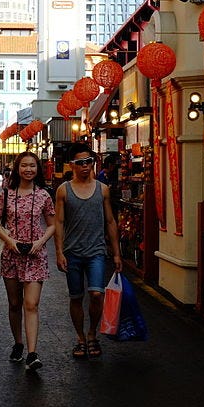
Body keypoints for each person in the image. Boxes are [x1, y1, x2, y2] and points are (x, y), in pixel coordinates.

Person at [54, 145, 121, 360]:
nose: (85, 166)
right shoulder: (64, 190)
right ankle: (80, 338)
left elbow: (110, 221)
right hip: (72, 252)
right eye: (80, 162)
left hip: (96, 252)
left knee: (96, 294)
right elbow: (59, 222)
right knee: (76, 297)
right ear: (72, 165)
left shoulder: (103, 189)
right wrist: (59, 252)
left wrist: (117, 253)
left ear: (93, 162)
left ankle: (92, 334)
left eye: (89, 161)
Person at [0, 151, 55, 371]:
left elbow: (53, 224)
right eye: (25, 166)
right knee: (15, 303)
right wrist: (9, 240)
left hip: (36, 255)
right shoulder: (6, 195)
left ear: (38, 169)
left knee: (31, 304)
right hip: (12, 254)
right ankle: (18, 343)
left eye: (33, 166)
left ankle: (32, 353)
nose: (29, 169)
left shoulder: (44, 195)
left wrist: (41, 241)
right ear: (17, 169)